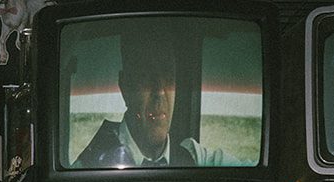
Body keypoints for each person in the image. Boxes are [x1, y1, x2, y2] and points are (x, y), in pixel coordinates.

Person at [74, 26, 230, 168]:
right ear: (125, 87)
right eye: (145, 76)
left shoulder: (195, 158)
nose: (160, 92)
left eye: (168, 76)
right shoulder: (88, 165)